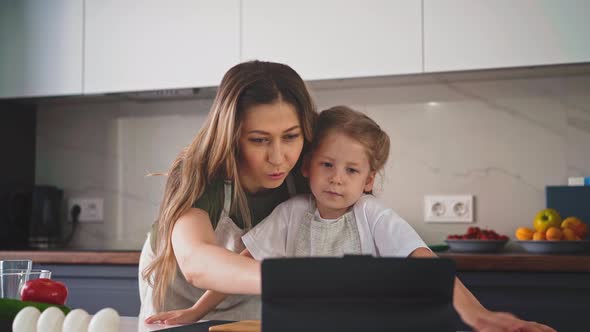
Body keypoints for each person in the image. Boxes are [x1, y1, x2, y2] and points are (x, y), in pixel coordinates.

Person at [146, 106, 555, 332]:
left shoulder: (375, 217)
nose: (337, 179)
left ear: (369, 179)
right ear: (307, 167)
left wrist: (479, 316)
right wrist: (194, 313)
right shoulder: (289, 215)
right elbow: (242, 266)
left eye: (352, 171)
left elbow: (428, 270)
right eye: (327, 164)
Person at [138, 60, 317, 321]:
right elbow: (196, 262)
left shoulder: (308, 170)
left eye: (290, 136)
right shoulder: (198, 171)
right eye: (259, 140)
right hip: (177, 291)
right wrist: (289, 281)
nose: (278, 158)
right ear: (231, 135)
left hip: (249, 291)